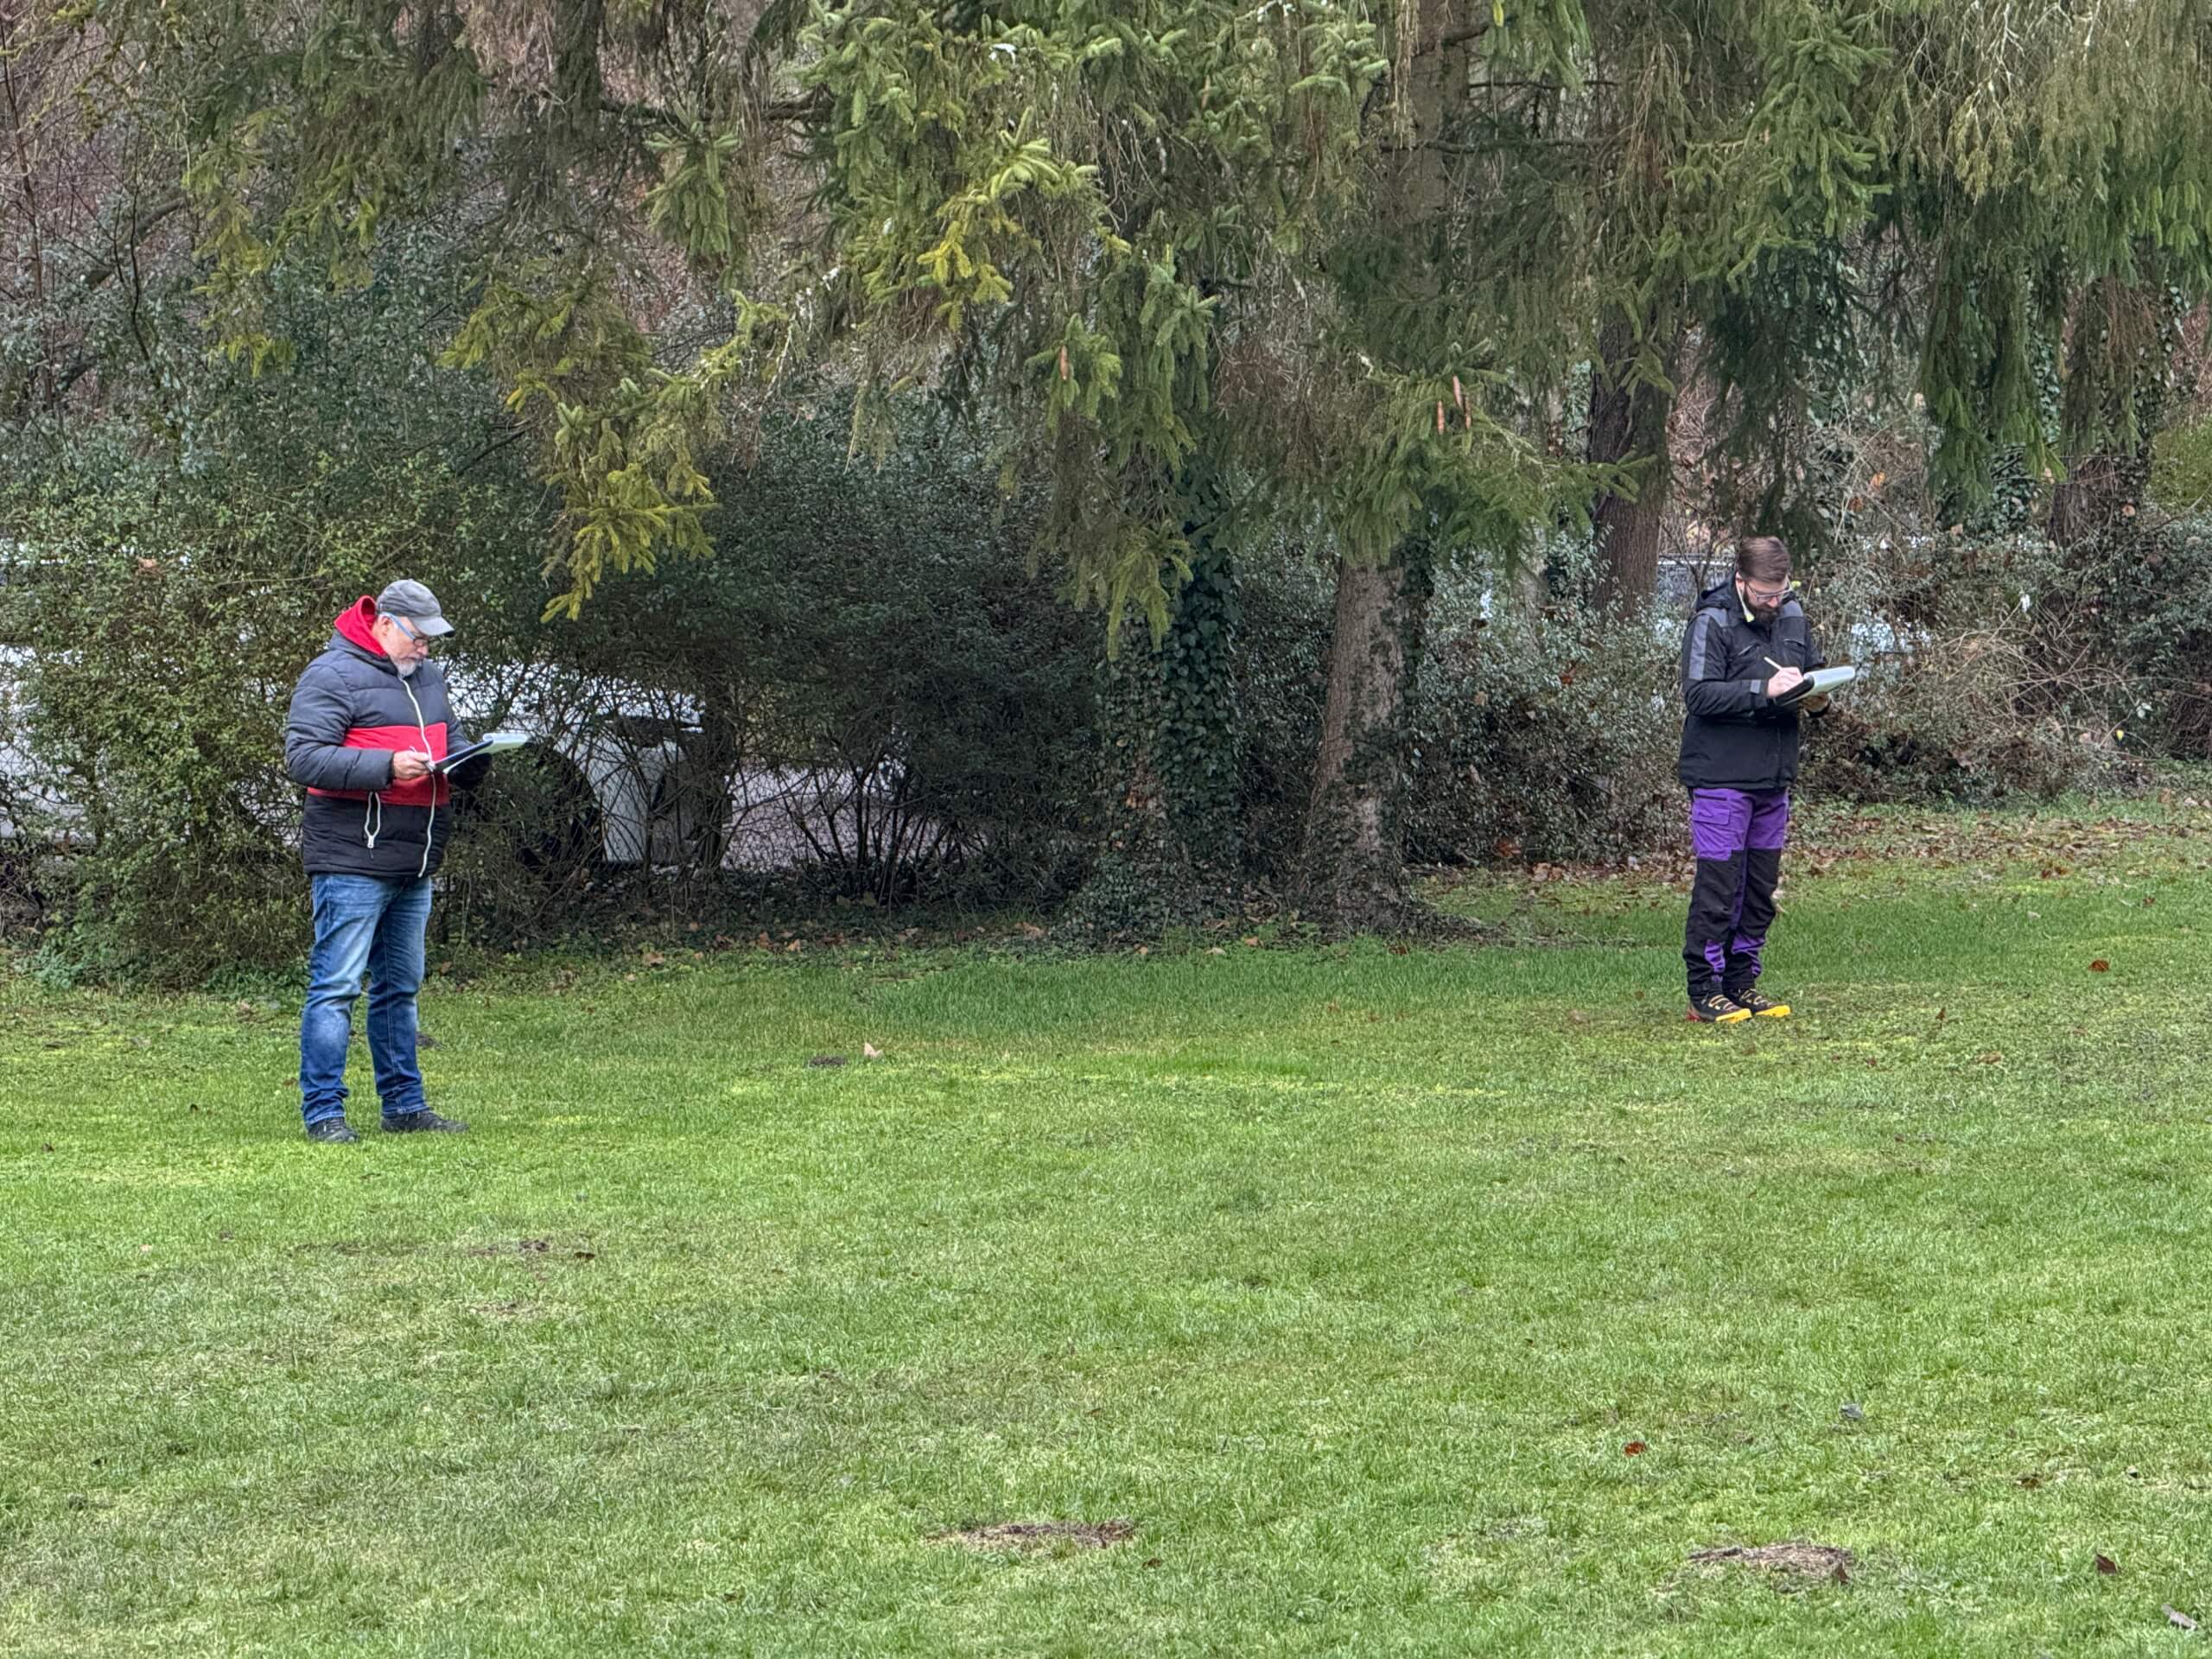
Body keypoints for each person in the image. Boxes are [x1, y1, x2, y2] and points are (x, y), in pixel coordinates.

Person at [283, 580, 494, 1141]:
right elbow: (304, 759)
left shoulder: (429, 678)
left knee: (399, 990)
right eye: (418, 637)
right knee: (337, 988)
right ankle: (324, 1114)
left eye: (430, 640)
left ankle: (404, 1107)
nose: (425, 649)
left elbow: (452, 741)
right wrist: (386, 767)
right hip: (351, 859)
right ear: (384, 623)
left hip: (415, 860)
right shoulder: (331, 674)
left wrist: (474, 761)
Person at [1678, 536, 1827, 1025]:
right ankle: (1705, 989)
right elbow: (1699, 695)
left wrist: (1818, 697)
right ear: (1740, 581)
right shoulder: (1712, 620)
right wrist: (1762, 690)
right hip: (1720, 777)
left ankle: (1742, 983)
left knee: (1760, 890)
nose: (1774, 602)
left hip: (1773, 777)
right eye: (1765, 594)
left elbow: (1811, 672)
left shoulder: (1793, 614)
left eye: (1780, 591)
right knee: (1720, 888)